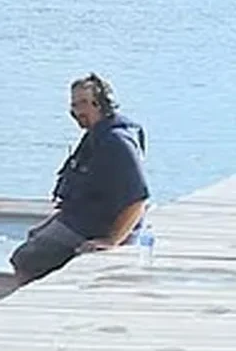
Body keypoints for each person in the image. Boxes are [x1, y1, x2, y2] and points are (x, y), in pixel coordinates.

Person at [9, 73, 150, 285]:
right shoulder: (95, 136)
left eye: (84, 103)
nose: (78, 111)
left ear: (102, 103)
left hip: (97, 227)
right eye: (74, 105)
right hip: (81, 219)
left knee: (27, 258)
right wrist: (51, 222)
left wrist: (112, 240)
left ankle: (36, 302)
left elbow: (137, 200)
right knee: (35, 236)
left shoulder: (117, 142)